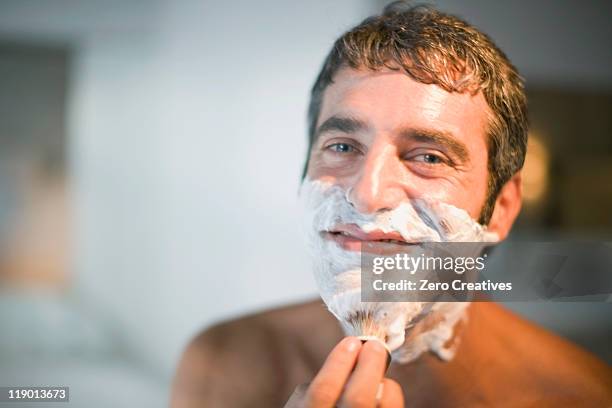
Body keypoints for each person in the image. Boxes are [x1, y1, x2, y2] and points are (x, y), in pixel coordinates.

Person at [170, 3, 612, 407]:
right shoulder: (223, 361)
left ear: (502, 208)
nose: (368, 193)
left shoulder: (581, 395)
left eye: (429, 156)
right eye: (342, 147)